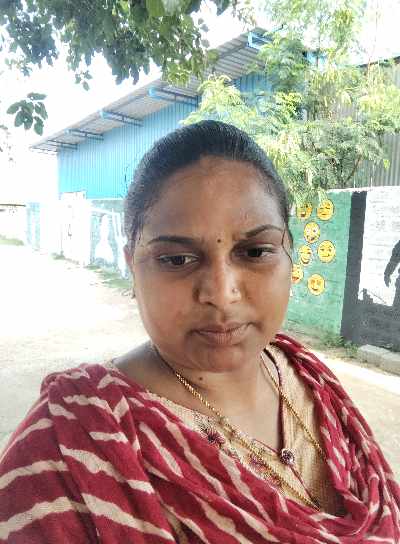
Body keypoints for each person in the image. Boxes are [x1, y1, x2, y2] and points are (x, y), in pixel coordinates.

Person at [0, 121, 399, 543]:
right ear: (132, 265)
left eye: (255, 252)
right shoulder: (66, 449)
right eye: (176, 259)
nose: (222, 294)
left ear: (289, 254)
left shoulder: (310, 378)